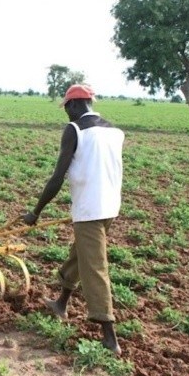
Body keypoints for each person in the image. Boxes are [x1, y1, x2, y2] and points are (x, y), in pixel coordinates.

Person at [22, 84, 125, 355]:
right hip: (110, 207)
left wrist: (36, 212)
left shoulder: (75, 130)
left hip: (90, 211)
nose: (66, 113)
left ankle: (110, 338)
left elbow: (57, 177)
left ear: (75, 105)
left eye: (67, 107)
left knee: (95, 268)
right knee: (80, 255)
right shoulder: (114, 131)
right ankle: (61, 304)